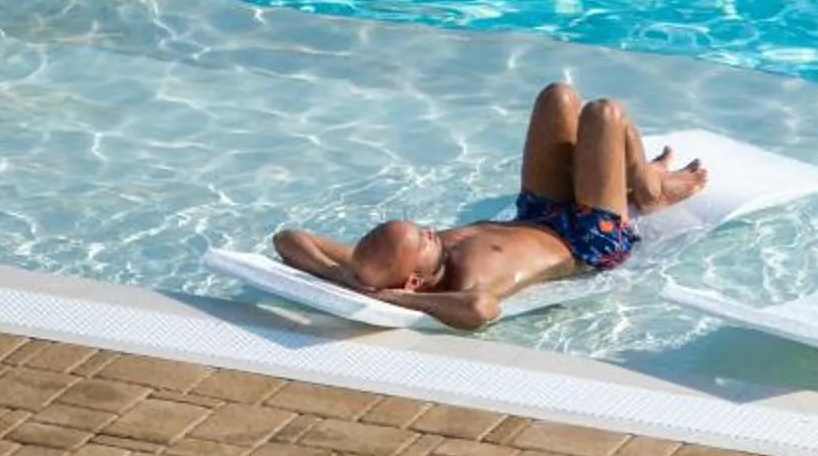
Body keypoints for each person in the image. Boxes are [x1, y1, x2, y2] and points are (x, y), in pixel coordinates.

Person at [272, 84, 705, 329]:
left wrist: (338, 276)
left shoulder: (370, 267)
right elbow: (481, 311)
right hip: (589, 238)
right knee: (604, 113)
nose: (428, 230)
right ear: (415, 283)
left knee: (557, 97)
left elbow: (290, 239)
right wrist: (395, 303)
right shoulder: (468, 281)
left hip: (536, 211)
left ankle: (633, 176)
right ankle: (650, 190)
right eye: (420, 240)